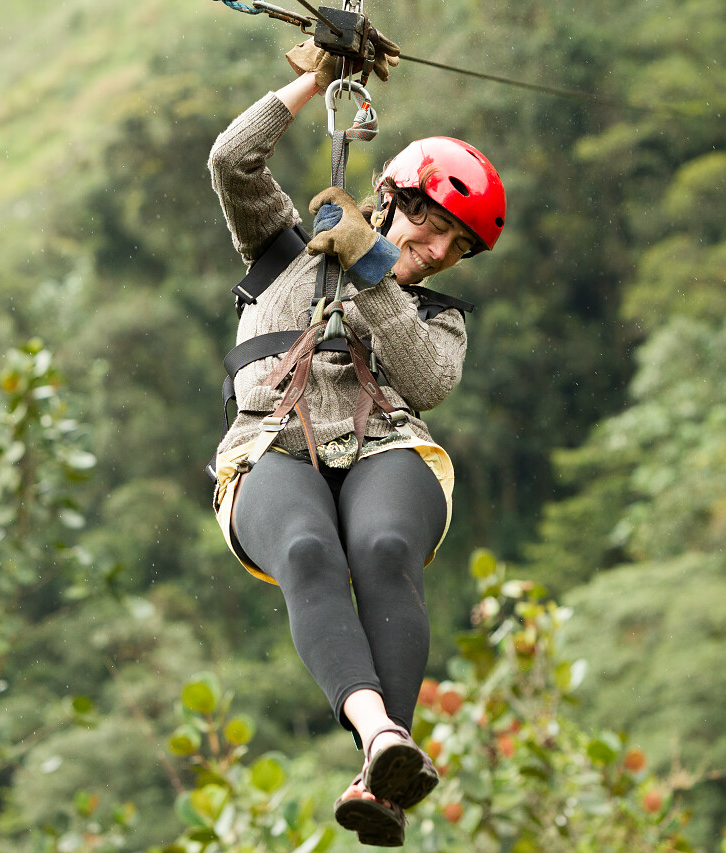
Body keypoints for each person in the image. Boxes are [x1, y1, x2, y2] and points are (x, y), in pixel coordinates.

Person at [206, 50, 506, 847]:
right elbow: (232, 161)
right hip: (271, 441)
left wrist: (374, 266)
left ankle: (382, 764)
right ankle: (382, 742)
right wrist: (313, 78)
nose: (438, 251)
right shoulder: (280, 250)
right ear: (392, 196)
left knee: (381, 547)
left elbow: (428, 380)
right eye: (432, 226)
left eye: (457, 245)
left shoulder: (438, 317)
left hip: (386, 444)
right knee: (307, 548)